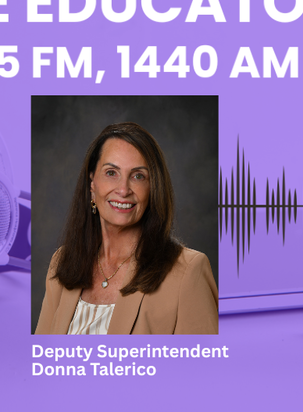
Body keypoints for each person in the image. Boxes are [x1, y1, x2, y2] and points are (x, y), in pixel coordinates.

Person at [35, 122, 218, 335]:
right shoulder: (63, 262)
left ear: (153, 188)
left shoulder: (188, 272)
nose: (123, 190)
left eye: (138, 176)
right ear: (92, 183)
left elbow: (203, 367)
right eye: (111, 172)